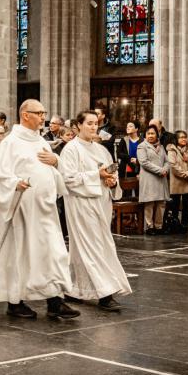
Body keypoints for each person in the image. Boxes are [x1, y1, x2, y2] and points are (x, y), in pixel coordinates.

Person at [0, 99, 78, 321]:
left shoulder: (41, 141)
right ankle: (15, 302)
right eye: (38, 113)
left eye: (44, 112)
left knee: (53, 254)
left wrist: (56, 161)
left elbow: (51, 172)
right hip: (22, 211)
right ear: (25, 115)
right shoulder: (9, 143)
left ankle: (55, 302)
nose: (43, 117)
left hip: (45, 210)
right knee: (21, 256)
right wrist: (15, 184)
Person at [58, 110, 132, 311]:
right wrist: (95, 175)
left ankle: (74, 289)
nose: (93, 127)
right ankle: (105, 294)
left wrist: (110, 180)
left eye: (95, 123)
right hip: (81, 204)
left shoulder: (101, 150)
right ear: (78, 126)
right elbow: (67, 179)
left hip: (101, 204)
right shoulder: (71, 150)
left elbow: (111, 173)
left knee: (85, 248)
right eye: (89, 123)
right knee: (92, 247)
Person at [137, 124, 170, 235]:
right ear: (145, 135)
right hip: (149, 178)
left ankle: (158, 226)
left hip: (161, 179)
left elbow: (167, 161)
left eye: (153, 133)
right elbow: (144, 162)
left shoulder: (161, 146)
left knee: (161, 203)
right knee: (149, 203)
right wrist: (160, 170)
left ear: (157, 135)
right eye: (148, 133)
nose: (151, 136)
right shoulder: (142, 146)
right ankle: (149, 227)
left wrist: (165, 169)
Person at [167, 130, 188, 233]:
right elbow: (172, 165)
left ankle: (185, 225)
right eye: (181, 137)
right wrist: (184, 174)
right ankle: (175, 225)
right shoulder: (171, 150)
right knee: (175, 204)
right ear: (176, 139)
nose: (184, 139)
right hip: (177, 181)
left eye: (185, 137)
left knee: (186, 205)